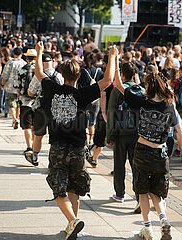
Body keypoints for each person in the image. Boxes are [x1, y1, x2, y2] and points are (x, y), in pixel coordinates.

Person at [34, 42, 117, 240]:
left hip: (58, 147)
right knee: (74, 188)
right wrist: (113, 56)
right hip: (78, 148)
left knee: (58, 187)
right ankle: (73, 224)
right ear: (79, 76)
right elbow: (107, 80)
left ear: (62, 74)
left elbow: (39, 72)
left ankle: (72, 222)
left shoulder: (52, 89)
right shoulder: (82, 94)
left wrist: (38, 52)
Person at [113, 58, 182, 239]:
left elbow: (119, 84)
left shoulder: (141, 100)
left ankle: (148, 228)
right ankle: (164, 220)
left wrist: (115, 61)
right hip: (161, 152)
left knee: (142, 191)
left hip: (143, 150)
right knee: (156, 192)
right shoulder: (169, 105)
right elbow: (178, 128)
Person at [106, 62, 140, 205]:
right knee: (136, 165)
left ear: (123, 75)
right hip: (137, 133)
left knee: (119, 165)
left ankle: (120, 193)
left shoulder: (118, 90)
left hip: (121, 132)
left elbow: (111, 113)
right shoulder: (141, 90)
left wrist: (110, 135)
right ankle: (140, 196)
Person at [1, 47, 26, 129]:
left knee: (11, 103)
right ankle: (17, 118)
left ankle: (14, 119)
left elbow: (5, 75)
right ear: (21, 54)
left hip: (11, 86)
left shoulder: (10, 63)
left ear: (13, 54)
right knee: (19, 104)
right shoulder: (24, 63)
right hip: (21, 86)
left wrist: (3, 84)